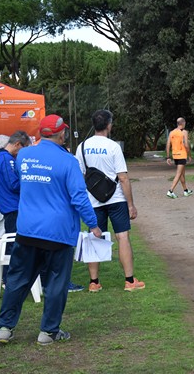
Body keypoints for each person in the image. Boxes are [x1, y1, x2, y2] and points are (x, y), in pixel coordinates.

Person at [0, 114, 102, 345]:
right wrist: (93, 225)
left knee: (17, 280)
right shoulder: (68, 161)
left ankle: (5, 327)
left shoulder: (24, 154)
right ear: (62, 134)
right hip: (58, 233)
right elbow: (79, 198)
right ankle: (49, 331)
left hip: (27, 230)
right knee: (56, 283)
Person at [75, 109, 144, 293]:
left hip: (93, 200)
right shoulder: (113, 147)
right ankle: (129, 281)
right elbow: (123, 177)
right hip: (116, 198)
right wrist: (131, 204)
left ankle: (94, 282)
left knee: (94, 237)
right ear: (109, 125)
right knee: (122, 236)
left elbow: (80, 176)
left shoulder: (81, 147)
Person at [0, 131, 31, 286]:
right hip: (12, 207)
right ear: (17, 144)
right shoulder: (6, 159)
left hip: (7, 206)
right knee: (13, 244)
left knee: (10, 243)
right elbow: (14, 184)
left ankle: (7, 277)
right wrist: (29, 181)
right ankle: (9, 278)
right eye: (23, 149)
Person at [166, 117, 193, 198]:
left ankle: (185, 190)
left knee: (182, 173)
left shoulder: (171, 133)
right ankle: (170, 191)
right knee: (179, 173)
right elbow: (186, 145)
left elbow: (168, 145)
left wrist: (168, 157)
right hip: (182, 155)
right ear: (183, 123)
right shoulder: (184, 132)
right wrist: (189, 155)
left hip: (175, 155)